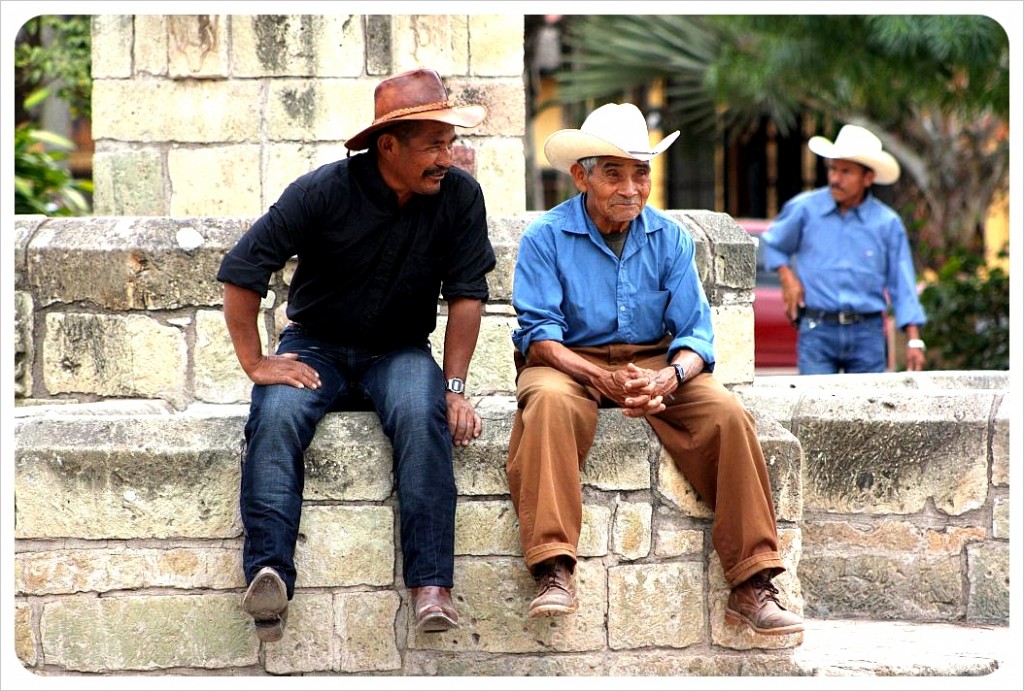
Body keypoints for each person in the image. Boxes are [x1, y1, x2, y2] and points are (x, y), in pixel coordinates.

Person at [217, 68, 496, 642]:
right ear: (387, 145)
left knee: (423, 417)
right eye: (434, 145)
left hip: (398, 352)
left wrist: (456, 388)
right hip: (313, 345)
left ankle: (431, 586)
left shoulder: (461, 197)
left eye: (450, 142)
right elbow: (243, 273)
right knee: (274, 416)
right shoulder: (322, 191)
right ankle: (268, 576)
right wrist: (256, 364)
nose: (447, 157)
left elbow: (467, 295)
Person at [506, 103, 804, 636]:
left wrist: (671, 377)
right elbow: (540, 337)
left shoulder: (669, 238)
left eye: (640, 173)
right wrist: (602, 380)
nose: (630, 188)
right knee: (547, 403)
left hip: (653, 361)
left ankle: (752, 582)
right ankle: (553, 567)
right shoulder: (545, 237)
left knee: (728, 414)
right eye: (613, 172)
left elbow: (695, 335)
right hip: (570, 362)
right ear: (582, 175)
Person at [760, 124, 928, 374]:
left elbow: (902, 283)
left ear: (868, 178)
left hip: (867, 333)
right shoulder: (804, 210)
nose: (835, 178)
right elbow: (772, 243)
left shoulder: (887, 223)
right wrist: (787, 278)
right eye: (833, 169)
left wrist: (914, 340)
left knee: (870, 409)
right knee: (813, 407)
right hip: (817, 328)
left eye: (846, 172)